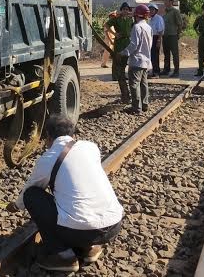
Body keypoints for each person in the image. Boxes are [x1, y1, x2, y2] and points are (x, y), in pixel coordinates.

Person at [7, 117, 124, 273]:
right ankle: (89, 248)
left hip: (80, 232)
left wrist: (16, 206)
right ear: (72, 134)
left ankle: (63, 256)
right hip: (114, 226)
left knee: (32, 195)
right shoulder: (91, 147)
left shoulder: (48, 159)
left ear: (48, 136)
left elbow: (30, 188)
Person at [122, 4, 152, 115]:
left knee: (134, 84)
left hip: (136, 60)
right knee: (144, 84)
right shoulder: (148, 27)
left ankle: (136, 108)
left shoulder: (137, 27)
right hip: (146, 60)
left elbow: (134, 45)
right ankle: (145, 105)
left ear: (137, 15)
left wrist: (124, 53)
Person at [104, 3, 133, 103]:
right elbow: (106, 25)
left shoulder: (130, 19)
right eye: (123, 9)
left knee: (125, 59)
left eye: (127, 9)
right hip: (119, 42)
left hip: (127, 42)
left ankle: (122, 74)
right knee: (117, 59)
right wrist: (115, 34)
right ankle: (115, 75)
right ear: (121, 10)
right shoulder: (116, 19)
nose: (125, 11)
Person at [160, 0, 182, 77]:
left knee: (175, 54)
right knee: (166, 54)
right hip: (165, 36)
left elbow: (180, 24)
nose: (165, 2)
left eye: (167, 0)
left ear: (171, 1)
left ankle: (176, 71)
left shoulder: (175, 11)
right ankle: (166, 69)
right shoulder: (165, 12)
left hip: (173, 35)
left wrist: (178, 34)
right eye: (164, 0)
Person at [148, 3, 164, 77]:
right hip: (150, 38)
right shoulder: (150, 19)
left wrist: (159, 40)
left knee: (155, 55)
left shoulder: (158, 18)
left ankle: (156, 72)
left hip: (156, 37)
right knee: (151, 55)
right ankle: (153, 71)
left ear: (156, 10)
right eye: (150, 9)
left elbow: (160, 30)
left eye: (152, 9)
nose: (151, 11)